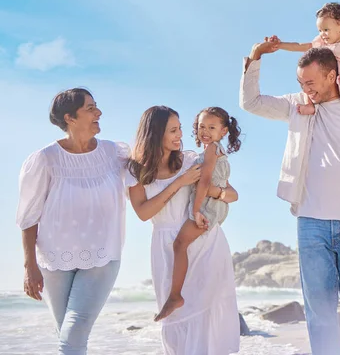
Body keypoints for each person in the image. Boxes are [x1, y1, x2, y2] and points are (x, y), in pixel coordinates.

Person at [240, 39, 340, 355]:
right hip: (311, 223)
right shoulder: (297, 105)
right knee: (320, 314)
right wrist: (255, 58)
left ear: (331, 75)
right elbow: (252, 102)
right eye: (301, 82)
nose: (305, 88)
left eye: (310, 82)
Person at [16, 88, 129, 354]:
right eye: (90, 108)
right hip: (55, 260)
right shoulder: (45, 160)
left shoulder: (115, 153)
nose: (98, 112)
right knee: (67, 335)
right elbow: (29, 216)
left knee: (73, 333)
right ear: (70, 118)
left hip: (102, 255)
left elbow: (153, 170)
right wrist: (29, 266)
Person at [127, 106, 240, 355]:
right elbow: (144, 213)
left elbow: (232, 194)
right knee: (176, 321)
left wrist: (214, 193)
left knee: (204, 318)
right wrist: (180, 182)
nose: (181, 135)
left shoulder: (190, 159)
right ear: (155, 134)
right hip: (167, 246)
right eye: (173, 130)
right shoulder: (136, 171)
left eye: (179, 128)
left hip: (205, 243)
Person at [155, 106, 242, 322]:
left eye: (212, 127)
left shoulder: (212, 149)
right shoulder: (210, 150)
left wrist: (196, 210)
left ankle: (175, 296)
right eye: (202, 126)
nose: (205, 131)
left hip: (208, 207)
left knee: (179, 245)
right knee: (185, 248)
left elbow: (205, 181)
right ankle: (179, 297)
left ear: (223, 131)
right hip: (212, 204)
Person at [275, 2, 340, 131]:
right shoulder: (321, 43)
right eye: (320, 30)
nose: (322, 34)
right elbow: (301, 46)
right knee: (310, 82)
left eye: (326, 30)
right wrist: (280, 45)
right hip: (328, 78)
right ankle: (310, 105)